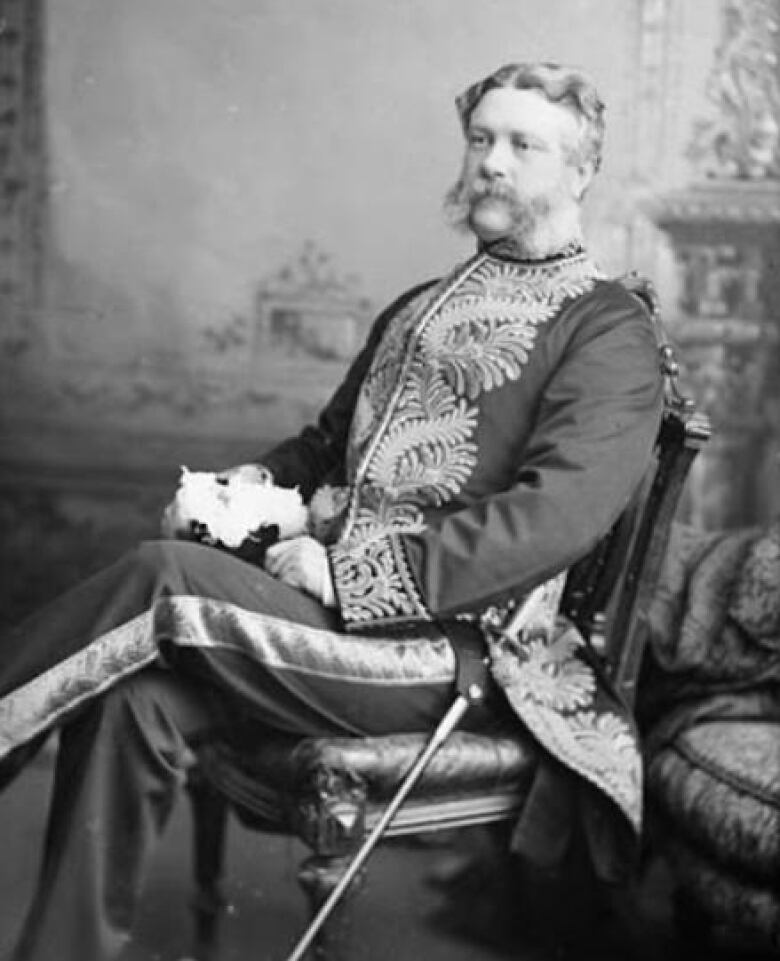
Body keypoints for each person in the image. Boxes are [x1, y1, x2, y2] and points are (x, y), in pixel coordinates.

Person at [0, 61, 663, 961]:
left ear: (581, 170)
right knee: (136, 704)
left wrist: (353, 571)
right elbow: (321, 452)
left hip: (467, 654)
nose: (491, 164)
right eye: (480, 140)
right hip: (333, 628)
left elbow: (554, 517)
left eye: (523, 145)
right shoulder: (421, 305)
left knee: (163, 581)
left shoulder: (607, 327)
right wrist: (236, 493)